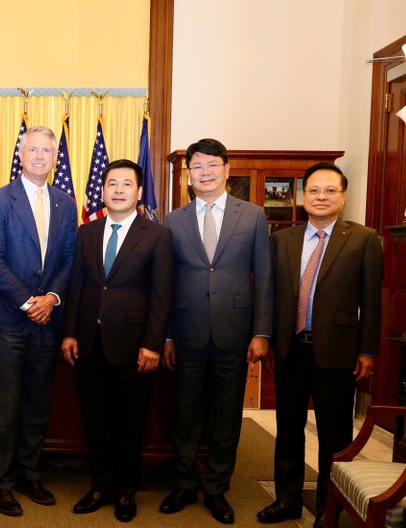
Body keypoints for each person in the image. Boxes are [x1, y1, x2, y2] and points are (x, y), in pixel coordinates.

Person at [258, 163, 382, 528]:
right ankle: (287, 500)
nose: (321, 197)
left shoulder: (363, 239)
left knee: (335, 434)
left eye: (330, 190)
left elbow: (371, 301)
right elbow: (270, 296)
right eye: (314, 190)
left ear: (343, 196)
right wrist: (268, 339)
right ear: (302, 196)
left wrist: (368, 351)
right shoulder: (282, 239)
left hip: (338, 351)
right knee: (288, 428)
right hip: (291, 347)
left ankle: (331, 507)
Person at [160, 138, 274, 525]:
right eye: (197, 166)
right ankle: (184, 483)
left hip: (234, 333)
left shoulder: (253, 216)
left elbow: (264, 278)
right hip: (186, 332)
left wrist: (262, 332)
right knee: (185, 414)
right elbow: (167, 282)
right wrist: (168, 335)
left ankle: (216, 489)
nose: (204, 172)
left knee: (226, 417)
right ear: (188, 175)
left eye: (212, 165)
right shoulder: (174, 219)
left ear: (227, 170)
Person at [60, 159, 174, 523]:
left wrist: (153, 343)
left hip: (134, 347)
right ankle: (100, 486)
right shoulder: (87, 232)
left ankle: (126, 491)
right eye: (112, 183)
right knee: (95, 422)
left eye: (127, 184)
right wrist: (69, 332)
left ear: (139, 192)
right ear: (103, 190)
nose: (119, 190)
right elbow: (76, 285)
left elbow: (161, 294)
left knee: (129, 424)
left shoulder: (156, 235)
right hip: (89, 344)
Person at [0, 126, 78, 517]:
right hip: (7, 320)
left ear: (55, 157)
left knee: (37, 404)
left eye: (46, 150)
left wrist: (51, 299)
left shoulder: (65, 203)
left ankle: (28, 473)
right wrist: (27, 302)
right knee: (4, 407)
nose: (39, 156)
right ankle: (0, 483)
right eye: (32, 149)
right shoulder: (0, 199)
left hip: (47, 321)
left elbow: (69, 260)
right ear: (20, 155)